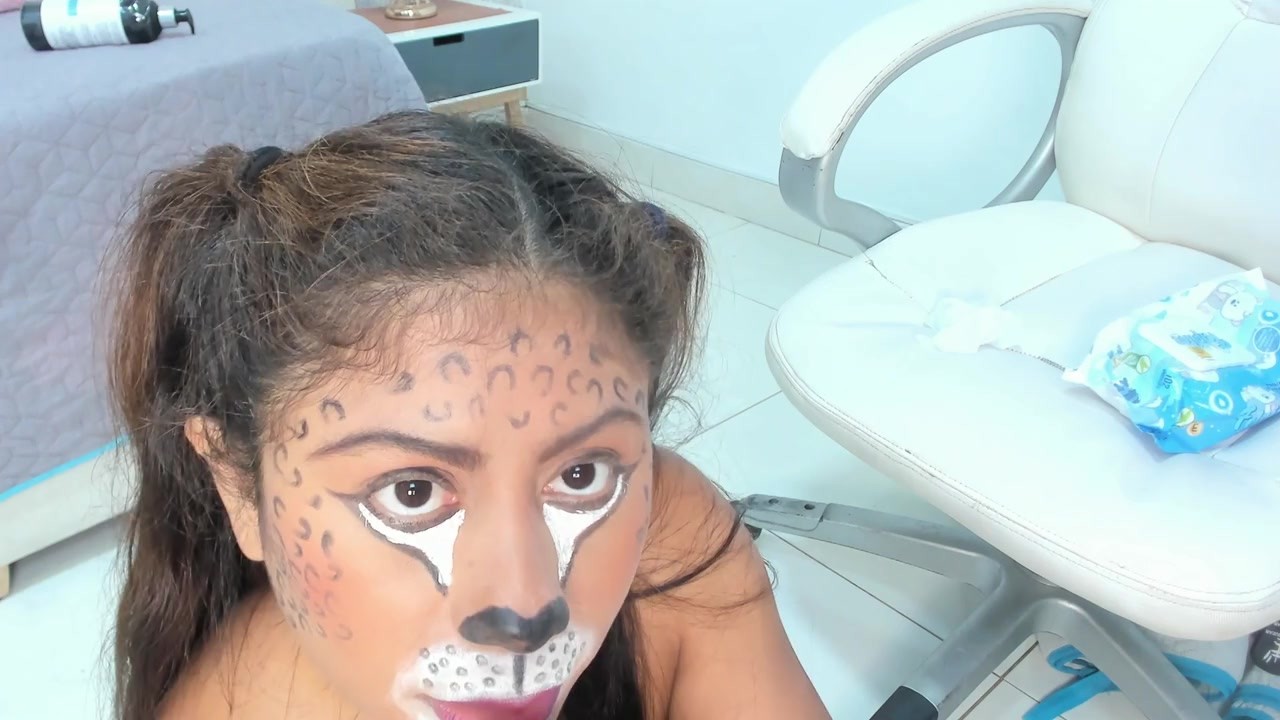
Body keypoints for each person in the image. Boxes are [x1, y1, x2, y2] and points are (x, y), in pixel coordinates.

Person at [106, 110, 829, 720]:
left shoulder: (670, 531)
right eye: (411, 492)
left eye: (581, 475)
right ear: (238, 486)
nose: (526, 610)